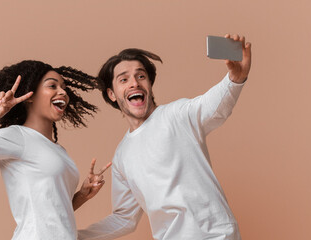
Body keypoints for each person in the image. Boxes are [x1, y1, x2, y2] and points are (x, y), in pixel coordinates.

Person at [79, 34, 251, 240]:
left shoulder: (177, 114)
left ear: (149, 83)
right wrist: (75, 236)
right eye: (123, 79)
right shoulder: (121, 157)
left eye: (140, 76)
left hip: (215, 235)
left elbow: (214, 107)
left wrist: (235, 78)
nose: (134, 83)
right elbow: (124, 218)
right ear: (112, 94)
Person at [0, 60, 112, 240]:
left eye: (63, 87)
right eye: (52, 86)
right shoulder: (18, 137)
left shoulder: (59, 150)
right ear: (30, 95)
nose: (62, 92)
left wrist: (82, 195)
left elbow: (51, 212)